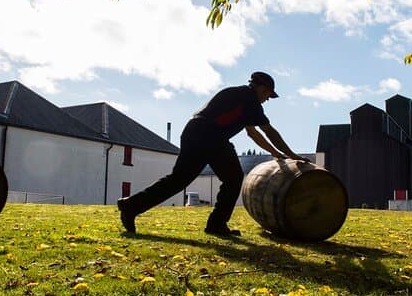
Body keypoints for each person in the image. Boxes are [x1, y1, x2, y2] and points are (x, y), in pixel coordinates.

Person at [117, 71, 307, 236]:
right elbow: (268, 131)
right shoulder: (250, 100)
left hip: (195, 131)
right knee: (233, 179)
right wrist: (292, 154)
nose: (267, 99)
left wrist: (275, 152)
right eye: (267, 94)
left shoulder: (240, 96)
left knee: (178, 180)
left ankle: (130, 206)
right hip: (210, 135)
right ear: (261, 88)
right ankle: (216, 224)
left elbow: (252, 132)